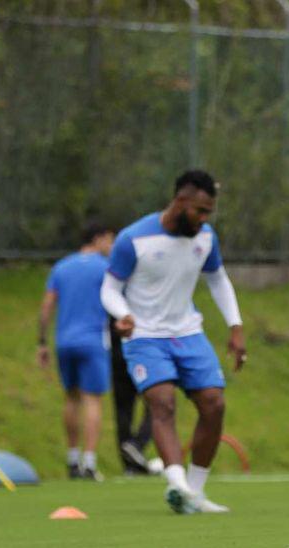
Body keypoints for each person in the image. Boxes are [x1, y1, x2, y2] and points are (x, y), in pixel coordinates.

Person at [100, 170, 246, 514]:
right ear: (180, 202)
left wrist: (235, 327)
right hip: (144, 335)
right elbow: (109, 288)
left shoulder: (205, 237)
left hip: (188, 332)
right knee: (162, 404)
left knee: (214, 404)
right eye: (199, 210)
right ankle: (177, 485)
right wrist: (122, 314)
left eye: (209, 212)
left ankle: (194, 492)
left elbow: (218, 280)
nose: (204, 219)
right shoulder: (133, 239)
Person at [37, 221, 115, 480]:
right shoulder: (105, 268)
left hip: (64, 342)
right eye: (110, 239)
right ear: (99, 237)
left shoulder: (61, 267)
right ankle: (89, 463)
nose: (112, 246)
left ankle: (72, 459)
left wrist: (42, 342)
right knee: (92, 399)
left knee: (71, 398)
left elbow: (47, 305)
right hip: (93, 341)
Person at [109, 317, 154, 475]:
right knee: (159, 404)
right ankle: (136, 445)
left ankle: (129, 465)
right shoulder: (142, 294)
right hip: (141, 353)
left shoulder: (112, 296)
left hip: (117, 354)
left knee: (123, 410)